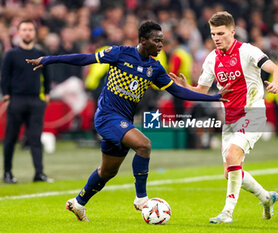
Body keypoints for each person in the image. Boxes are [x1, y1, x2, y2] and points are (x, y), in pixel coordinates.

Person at [26, 21, 230, 221]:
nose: (161, 45)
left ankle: (78, 203)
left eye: (162, 41)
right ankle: (141, 199)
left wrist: (214, 97)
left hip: (123, 120)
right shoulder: (119, 53)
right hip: (107, 116)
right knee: (144, 145)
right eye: (156, 41)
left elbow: (177, 91)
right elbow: (84, 58)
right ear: (143, 40)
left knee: (107, 172)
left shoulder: (155, 68)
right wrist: (48, 59)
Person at [169, 11, 278, 223]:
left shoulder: (248, 51)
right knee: (231, 171)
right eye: (213, 34)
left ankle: (227, 213)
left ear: (233, 32)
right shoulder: (212, 59)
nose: (216, 38)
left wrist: (275, 83)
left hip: (253, 113)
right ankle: (266, 198)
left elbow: (276, 70)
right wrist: (186, 87)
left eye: (220, 33)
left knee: (232, 156)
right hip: (229, 119)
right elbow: (202, 91)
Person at [1, 19, 52, 184]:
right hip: (16, 100)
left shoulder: (41, 54)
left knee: (35, 139)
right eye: (24, 30)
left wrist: (48, 94)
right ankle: (7, 172)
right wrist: (7, 96)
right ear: (19, 33)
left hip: (35, 101)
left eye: (30, 29)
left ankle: (39, 173)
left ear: (34, 33)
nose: (27, 32)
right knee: (10, 138)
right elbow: (4, 77)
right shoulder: (11, 54)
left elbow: (47, 76)